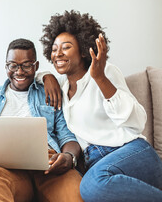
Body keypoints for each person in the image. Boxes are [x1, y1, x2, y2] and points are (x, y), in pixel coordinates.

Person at [37, 10, 162, 202]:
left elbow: (137, 121)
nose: (58, 54)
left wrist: (100, 78)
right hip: (96, 162)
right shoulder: (61, 87)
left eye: (66, 47)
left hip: (131, 152)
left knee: (91, 185)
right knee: (92, 187)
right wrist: (45, 75)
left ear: (83, 49)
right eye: (54, 49)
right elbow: (32, 75)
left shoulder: (105, 72)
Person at [0, 39, 83, 202]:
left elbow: (67, 136)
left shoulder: (50, 93)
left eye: (26, 65)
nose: (19, 72)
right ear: (6, 66)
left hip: (49, 167)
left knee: (75, 194)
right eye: (13, 65)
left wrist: (69, 157)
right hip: (4, 170)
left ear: (35, 66)